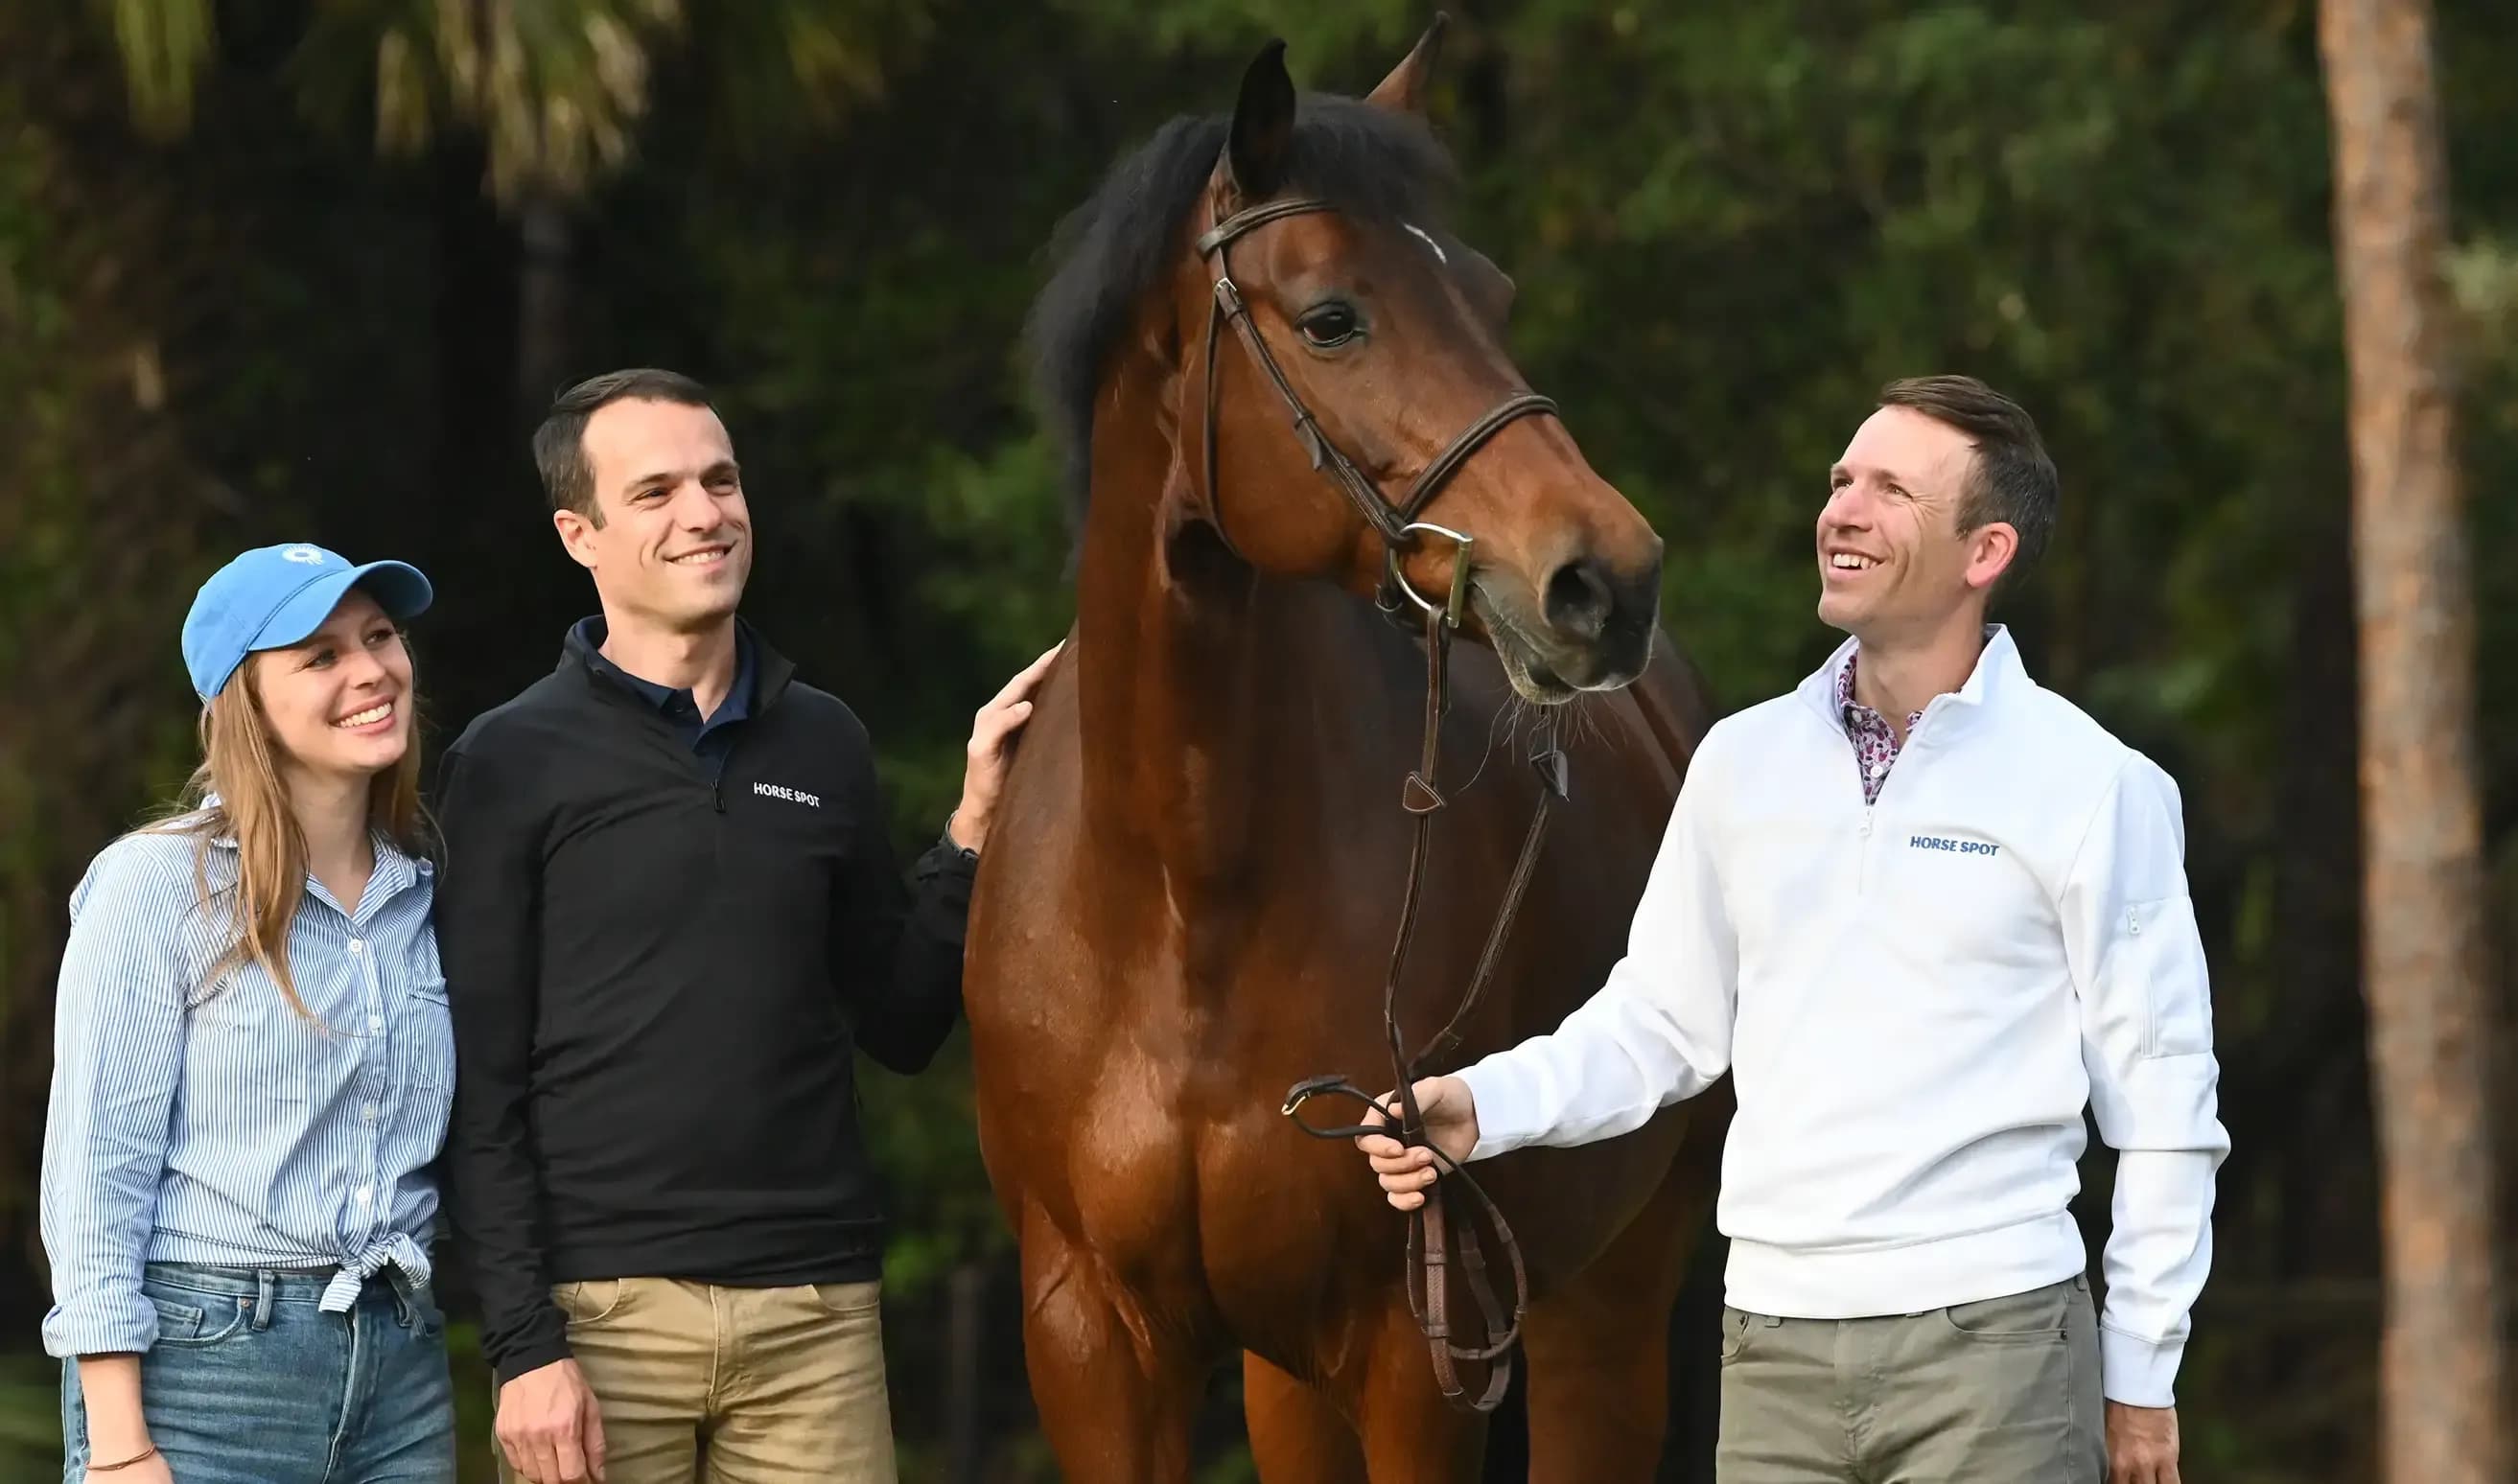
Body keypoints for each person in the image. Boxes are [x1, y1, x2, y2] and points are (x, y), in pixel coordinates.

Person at [1359, 375, 2227, 1484]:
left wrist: (2141, 1376)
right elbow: (1658, 1027)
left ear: (1985, 552)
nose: (1843, 510)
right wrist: (1479, 1106)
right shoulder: (1739, 763)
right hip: (1769, 1352)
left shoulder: (2097, 787)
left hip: (1995, 1352)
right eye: (1840, 480)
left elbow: (2164, 1109)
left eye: (1891, 491)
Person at [435, 367, 1056, 1484]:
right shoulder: (509, 760)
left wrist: (970, 831)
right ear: (580, 533)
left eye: (720, 481)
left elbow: (904, 1023)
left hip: (816, 1315)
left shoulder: (824, 742)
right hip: (601, 1319)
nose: (704, 514)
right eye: (657, 491)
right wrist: (524, 1346)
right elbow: (478, 1083)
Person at [40, 542, 453, 1484]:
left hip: (401, 1366)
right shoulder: (155, 886)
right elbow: (97, 1169)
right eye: (319, 657)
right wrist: (117, 1445)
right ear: (246, 703)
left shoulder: (425, 895)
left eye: (378, 636)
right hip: (207, 1371)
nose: (369, 670)